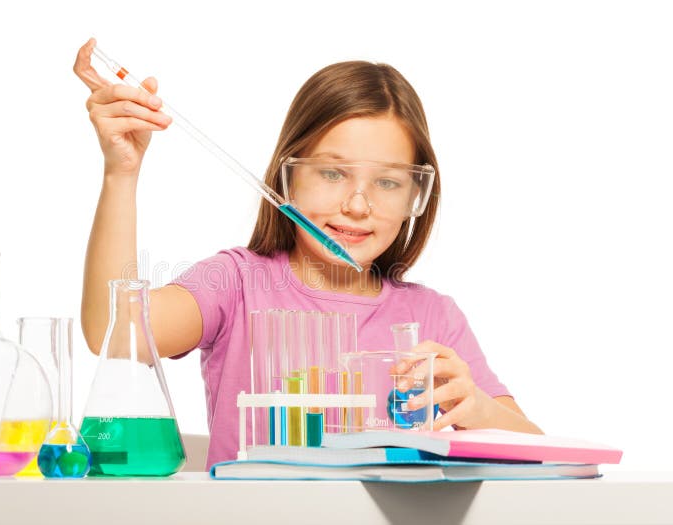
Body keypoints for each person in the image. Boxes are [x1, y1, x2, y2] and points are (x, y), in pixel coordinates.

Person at [73, 38, 542, 469]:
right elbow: (111, 332)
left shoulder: (433, 317)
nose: (358, 205)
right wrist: (122, 172)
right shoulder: (235, 285)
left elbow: (539, 453)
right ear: (287, 178)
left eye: (387, 182)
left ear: (415, 196)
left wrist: (476, 408)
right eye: (333, 174)